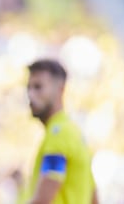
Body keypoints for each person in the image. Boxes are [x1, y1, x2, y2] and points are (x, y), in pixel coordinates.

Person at [24, 59, 98, 204]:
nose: (31, 95)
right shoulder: (75, 133)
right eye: (29, 88)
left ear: (61, 89)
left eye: (38, 87)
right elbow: (93, 197)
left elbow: (43, 200)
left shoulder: (59, 134)